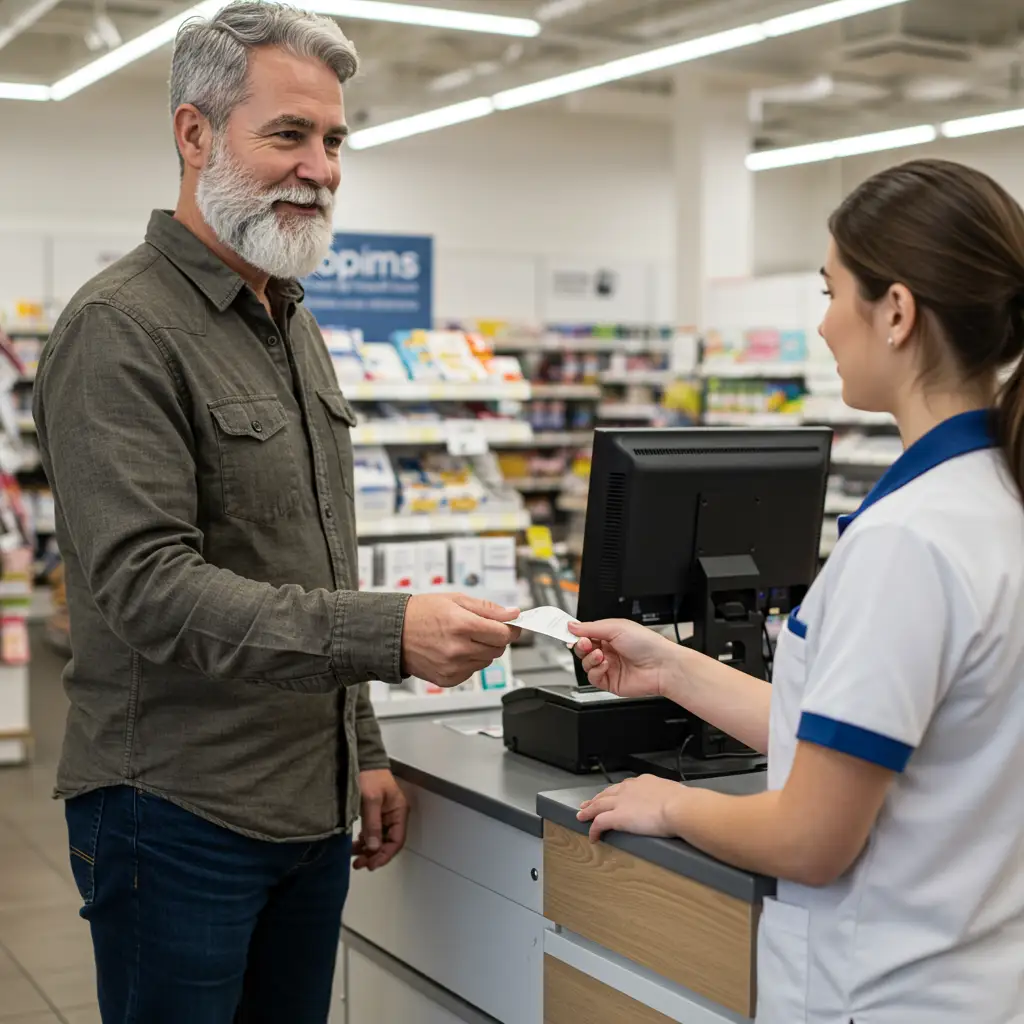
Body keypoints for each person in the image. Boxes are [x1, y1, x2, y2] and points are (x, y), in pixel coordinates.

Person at [32, 4, 518, 1022]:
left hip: (307, 801)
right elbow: (147, 590)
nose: (321, 167)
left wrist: (366, 748)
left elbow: (315, 561)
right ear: (194, 134)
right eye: (287, 135)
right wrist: (389, 634)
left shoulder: (290, 323)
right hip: (174, 811)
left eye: (333, 140)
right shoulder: (119, 330)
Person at [570, 158, 1024, 1024]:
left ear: (895, 312)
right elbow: (871, 737)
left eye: (829, 293)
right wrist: (671, 667)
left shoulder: (907, 543)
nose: (821, 327)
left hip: (882, 991)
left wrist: (673, 803)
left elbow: (812, 839)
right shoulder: (993, 499)